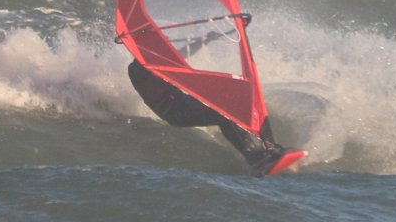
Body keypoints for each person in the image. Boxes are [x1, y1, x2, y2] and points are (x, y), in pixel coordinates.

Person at [126, 60, 298, 176]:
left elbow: (177, 58)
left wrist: (207, 38)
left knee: (232, 99)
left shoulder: (153, 60)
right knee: (221, 114)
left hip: (184, 101)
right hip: (174, 111)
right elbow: (160, 71)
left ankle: (267, 147)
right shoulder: (136, 69)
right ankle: (254, 157)